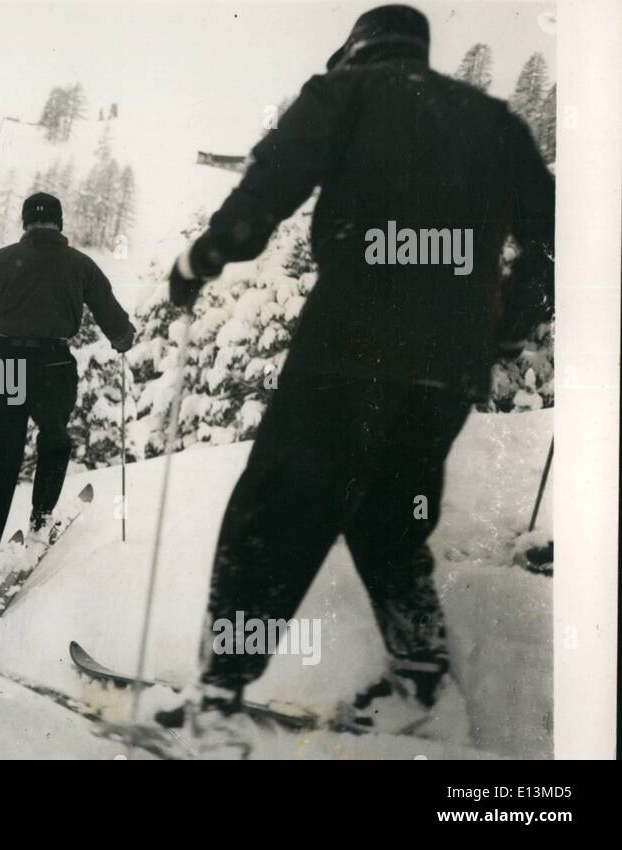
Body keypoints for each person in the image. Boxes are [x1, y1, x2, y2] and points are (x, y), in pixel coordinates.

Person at [160, 4, 555, 733]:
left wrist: (201, 259)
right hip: (448, 372)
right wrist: (507, 328)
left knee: (275, 513)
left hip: (350, 351)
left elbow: (271, 185)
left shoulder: (346, 92)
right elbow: (554, 237)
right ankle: (421, 684)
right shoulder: (497, 122)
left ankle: (217, 701)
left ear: (358, 51)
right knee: (389, 520)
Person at [0, 192, 135, 581]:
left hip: (4, 360)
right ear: (60, 223)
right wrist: (122, 338)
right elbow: (112, 316)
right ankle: (40, 519)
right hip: (53, 362)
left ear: (24, 223)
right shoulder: (81, 265)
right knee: (54, 440)